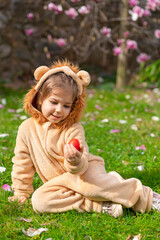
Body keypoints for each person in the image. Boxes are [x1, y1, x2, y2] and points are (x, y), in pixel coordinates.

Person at [8, 59, 160, 218]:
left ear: (73, 106)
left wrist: (75, 160)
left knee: (91, 187)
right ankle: (99, 205)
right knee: (40, 201)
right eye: (54, 102)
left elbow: (81, 164)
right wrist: (21, 192)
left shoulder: (73, 128)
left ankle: (147, 197)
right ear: (39, 98)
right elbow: (22, 162)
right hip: (60, 184)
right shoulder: (26, 129)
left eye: (66, 106)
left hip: (83, 172)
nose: (59, 110)